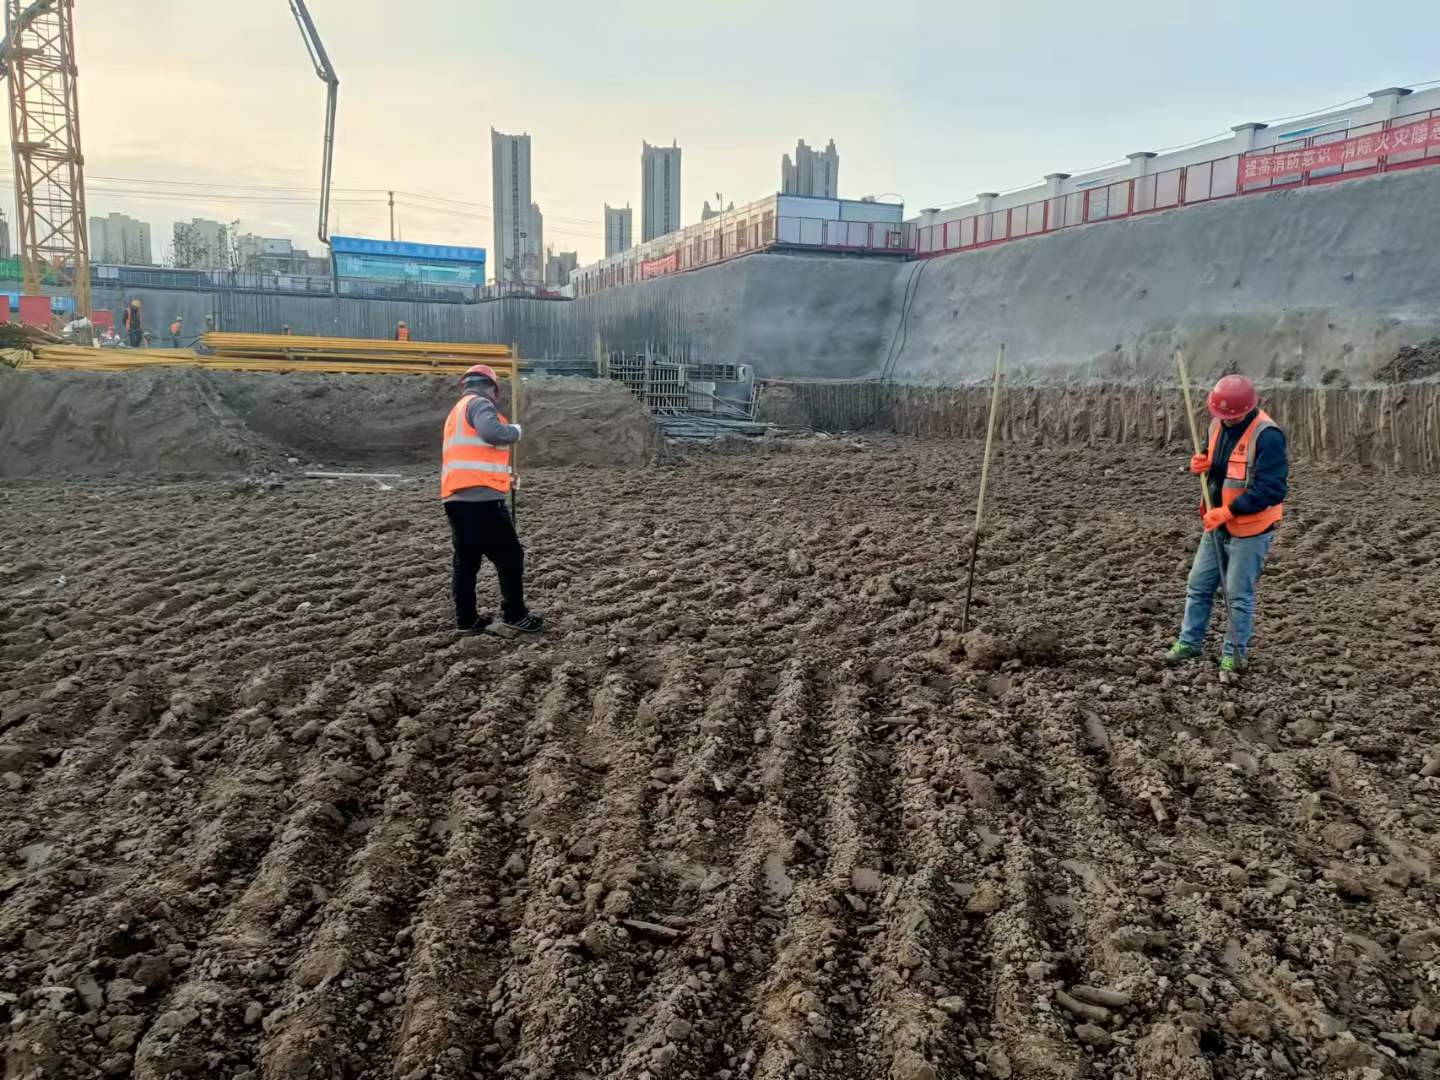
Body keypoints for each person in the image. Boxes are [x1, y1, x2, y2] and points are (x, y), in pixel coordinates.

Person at [1164, 374, 1287, 675]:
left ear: (1246, 409)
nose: (1226, 421)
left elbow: (1272, 489)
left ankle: (1234, 654)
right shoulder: (1217, 423)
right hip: (1216, 523)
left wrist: (1229, 511)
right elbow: (1216, 462)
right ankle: (1189, 642)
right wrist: (1201, 465)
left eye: (1231, 416)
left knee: (1236, 594)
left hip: (1250, 530)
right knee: (1198, 584)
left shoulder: (1267, 436)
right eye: (1221, 415)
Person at [441, 364, 543, 634]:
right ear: (491, 388)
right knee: (510, 557)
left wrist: (505, 478)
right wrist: (515, 431)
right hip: (482, 501)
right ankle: (516, 614)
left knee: (466, 561)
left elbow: (473, 456)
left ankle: (467, 620)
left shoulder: (457, 412)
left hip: (457, 498)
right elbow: (492, 433)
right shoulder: (479, 405)